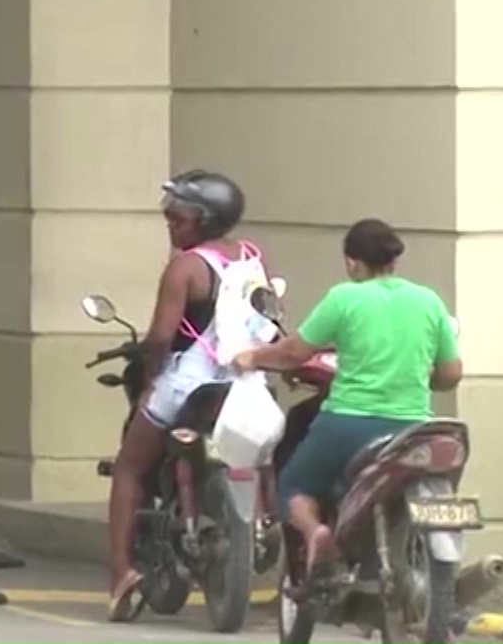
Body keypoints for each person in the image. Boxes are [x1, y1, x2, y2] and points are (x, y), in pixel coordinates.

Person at [233, 218, 461, 581]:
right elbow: (450, 375)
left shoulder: (344, 298)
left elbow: (293, 353)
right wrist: (414, 375)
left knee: (293, 483)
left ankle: (315, 533)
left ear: (352, 263)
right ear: (394, 262)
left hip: (348, 425)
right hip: (412, 427)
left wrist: (252, 356)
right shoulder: (428, 301)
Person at [106, 168, 270, 621]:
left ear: (202, 218)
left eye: (177, 216)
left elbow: (160, 336)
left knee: (129, 469)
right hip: (244, 381)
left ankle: (121, 576)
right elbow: (267, 320)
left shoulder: (185, 267)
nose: (170, 222)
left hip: (189, 382)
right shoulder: (252, 258)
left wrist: (151, 381)